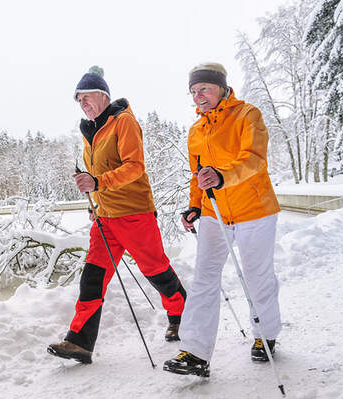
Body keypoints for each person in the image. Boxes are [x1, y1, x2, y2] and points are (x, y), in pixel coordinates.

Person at [47, 66, 187, 364]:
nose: (83, 104)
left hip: (134, 213)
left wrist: (98, 182)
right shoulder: (90, 132)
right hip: (105, 218)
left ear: (103, 95)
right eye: (78, 100)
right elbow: (94, 174)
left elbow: (135, 166)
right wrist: (92, 202)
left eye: (87, 97)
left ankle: (182, 315)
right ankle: (80, 342)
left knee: (155, 270)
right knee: (92, 278)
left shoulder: (123, 122)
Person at [163, 63, 282, 377]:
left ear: (220, 87)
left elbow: (254, 159)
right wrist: (194, 206)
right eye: (193, 91)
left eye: (203, 88)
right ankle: (196, 352)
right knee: (204, 279)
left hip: (254, 209)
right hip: (215, 212)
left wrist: (222, 176)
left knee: (257, 276)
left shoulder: (247, 115)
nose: (198, 96)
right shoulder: (196, 131)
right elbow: (197, 175)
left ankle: (265, 334)